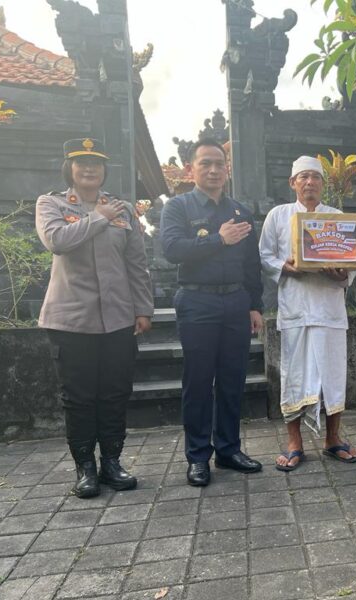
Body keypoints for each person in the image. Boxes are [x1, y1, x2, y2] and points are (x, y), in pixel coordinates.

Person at [36, 138, 153, 498]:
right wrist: (97, 218)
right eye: (82, 163)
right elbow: (56, 240)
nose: (90, 169)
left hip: (117, 319)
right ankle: (85, 467)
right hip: (71, 321)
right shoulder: (51, 204)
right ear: (69, 168)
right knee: (79, 397)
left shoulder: (123, 210)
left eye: (96, 163)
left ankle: (112, 463)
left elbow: (136, 262)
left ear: (104, 170)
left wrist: (143, 308)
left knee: (115, 393)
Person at [160, 138, 263, 486]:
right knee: (199, 381)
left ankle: (229, 449)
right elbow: (172, 249)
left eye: (220, 163)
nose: (214, 170)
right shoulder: (178, 207)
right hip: (197, 302)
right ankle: (198, 456)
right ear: (191, 169)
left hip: (235, 302)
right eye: (206, 163)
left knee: (233, 380)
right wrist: (218, 239)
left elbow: (252, 265)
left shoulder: (240, 212)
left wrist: (254, 305)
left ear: (227, 168)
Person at [259, 156, 356, 470]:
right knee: (294, 376)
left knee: (333, 374)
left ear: (323, 184)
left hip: (329, 308)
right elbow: (265, 255)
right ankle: (294, 443)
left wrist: (340, 275)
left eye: (315, 178)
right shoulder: (278, 216)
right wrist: (285, 267)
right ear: (293, 183)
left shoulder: (336, 217)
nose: (309, 183)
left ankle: (333, 439)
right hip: (296, 309)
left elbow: (350, 260)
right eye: (303, 177)